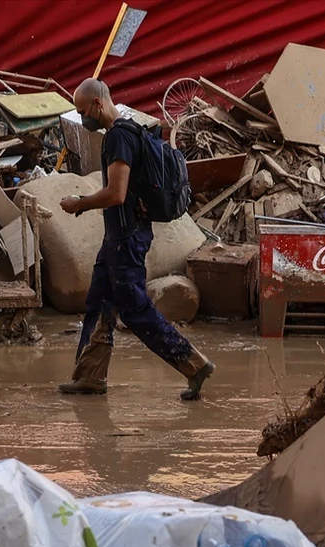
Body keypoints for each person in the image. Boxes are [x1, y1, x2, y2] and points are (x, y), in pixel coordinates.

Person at [58, 78, 214, 401]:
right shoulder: (131, 131)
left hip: (126, 238)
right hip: (119, 236)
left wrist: (80, 203)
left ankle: (194, 364)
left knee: (134, 310)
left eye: (83, 111)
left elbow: (116, 193)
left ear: (98, 104)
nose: (82, 118)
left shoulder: (119, 137)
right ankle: (89, 376)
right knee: (98, 302)